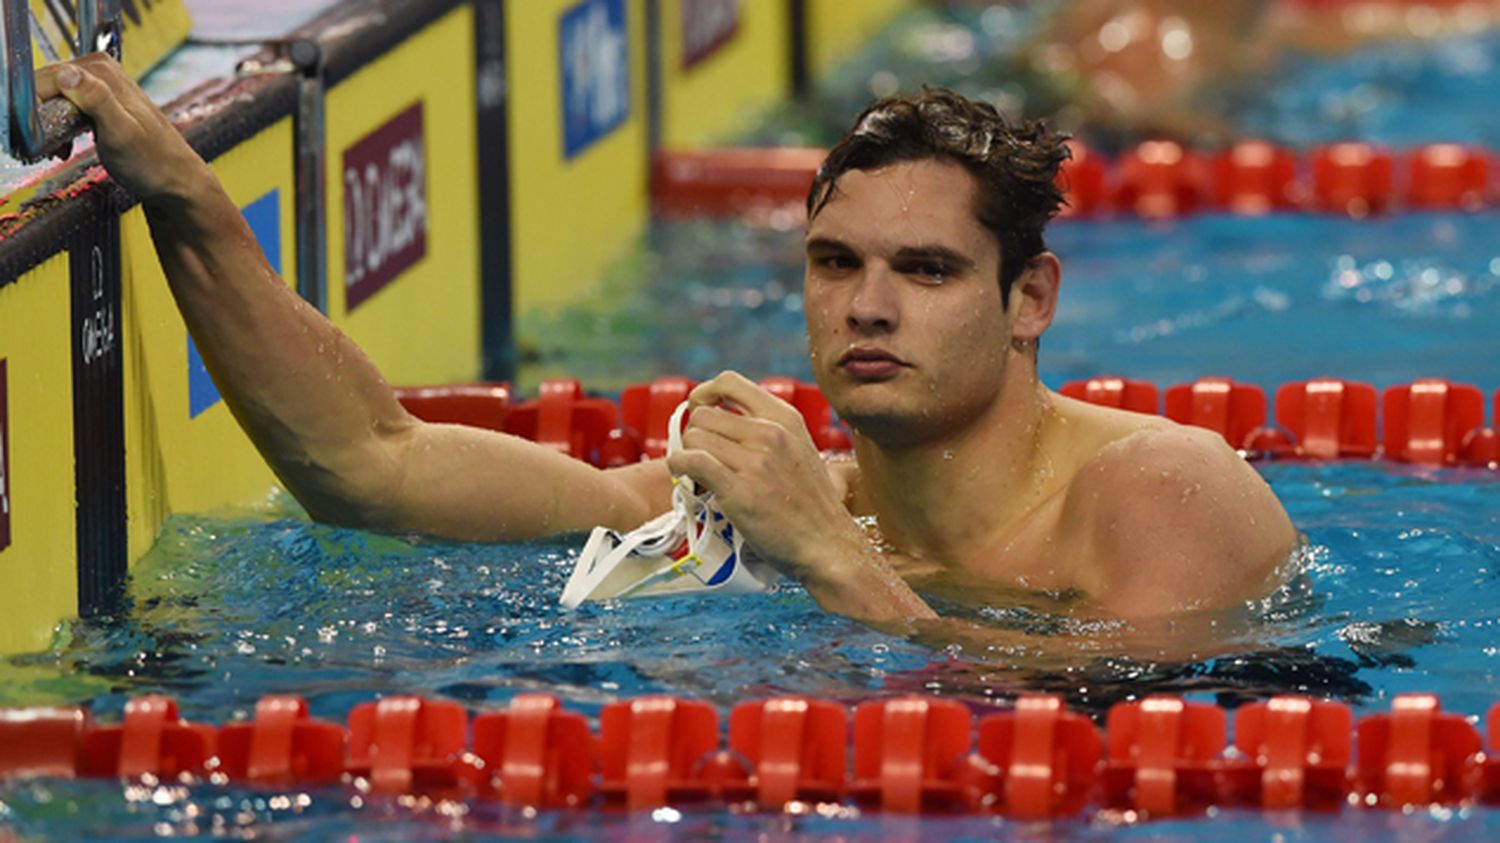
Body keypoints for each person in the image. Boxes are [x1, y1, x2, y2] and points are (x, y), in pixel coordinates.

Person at [35, 57, 1296, 634]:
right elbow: (373, 464)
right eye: (835, 263)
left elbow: (1121, 745)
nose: (866, 307)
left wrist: (831, 567)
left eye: (926, 272)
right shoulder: (786, 495)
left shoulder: (1159, 493)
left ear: (1031, 301)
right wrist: (188, 200)